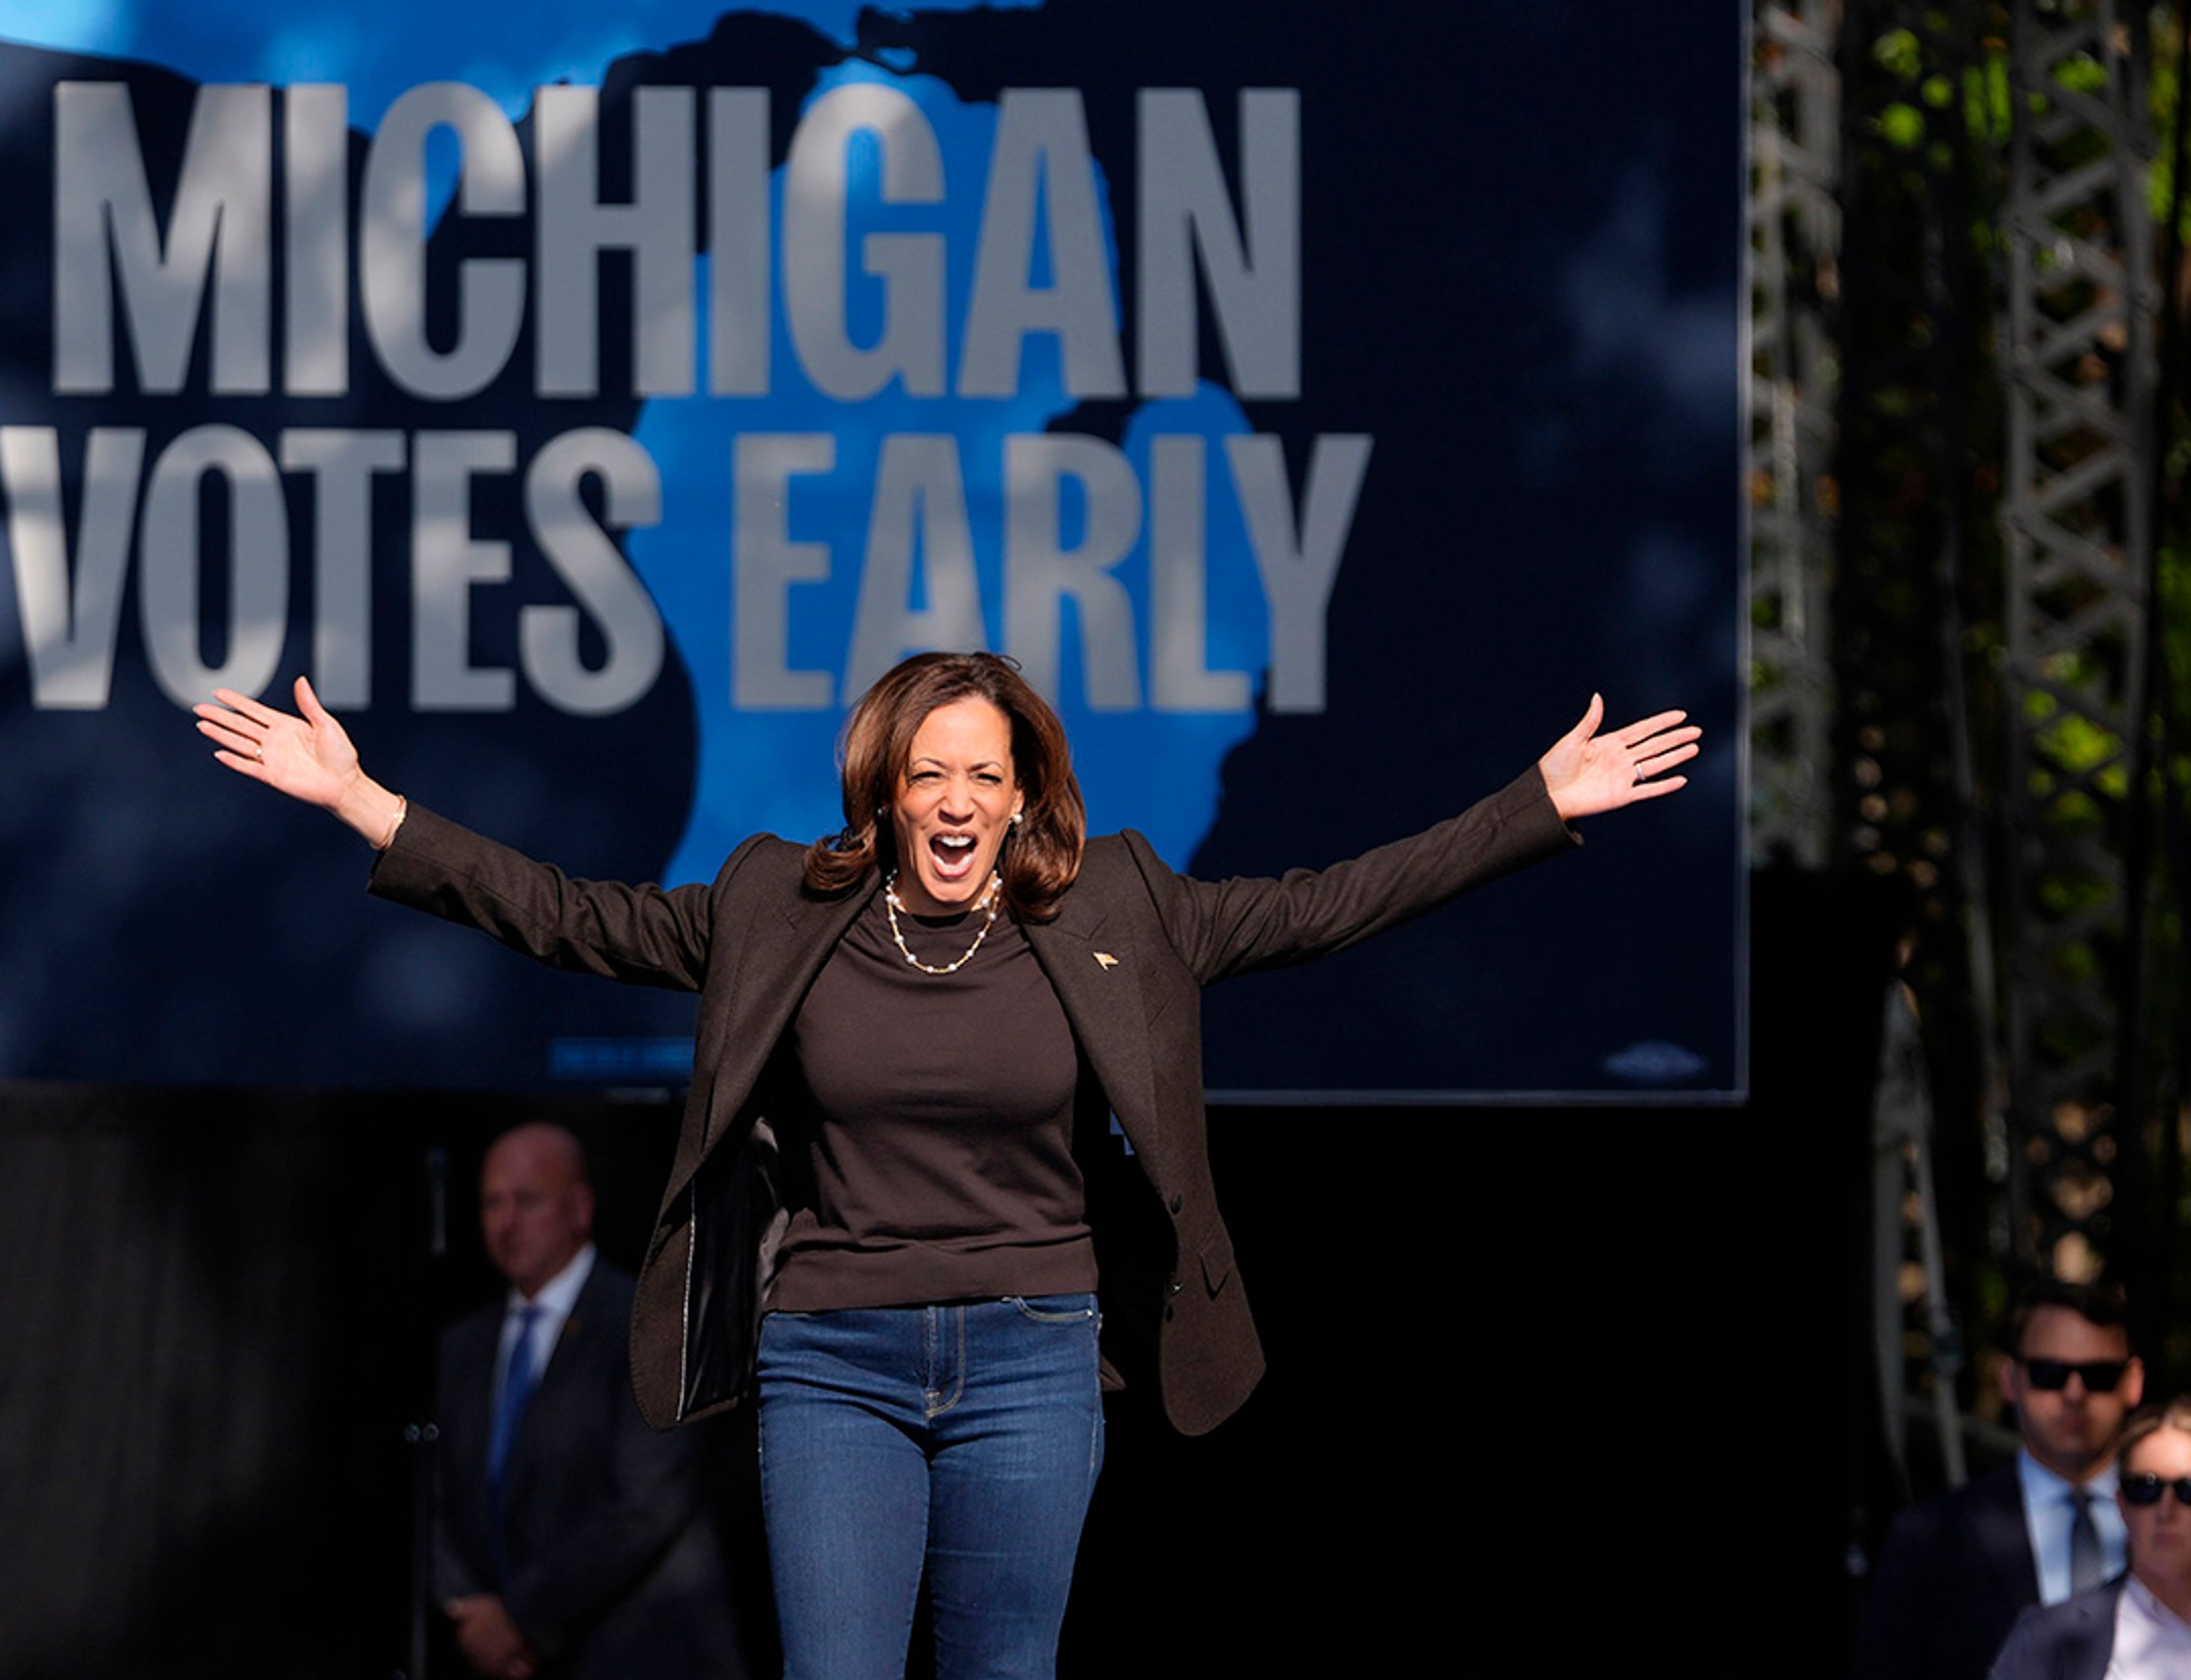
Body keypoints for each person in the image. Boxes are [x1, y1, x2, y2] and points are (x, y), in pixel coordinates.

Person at [197, 651, 1697, 1678]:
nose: (959, 800)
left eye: (985, 772)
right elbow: (567, 913)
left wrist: (1530, 810)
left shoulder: (1114, 901)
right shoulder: (777, 901)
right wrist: (363, 803)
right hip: (830, 1356)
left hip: (1034, 1352)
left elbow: (1328, 903)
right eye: (931, 773)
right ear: (888, 789)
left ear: (1025, 788)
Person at [430, 1123, 744, 1680]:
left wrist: (521, 1618)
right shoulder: (460, 1348)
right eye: (491, 1203)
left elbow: (647, 1503)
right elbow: (438, 1497)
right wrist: (470, 1610)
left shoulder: (650, 1326)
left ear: (579, 1208)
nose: (507, 1222)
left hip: (641, 1655)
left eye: (527, 1200)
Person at [1853, 1279, 2144, 1680]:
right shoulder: (1929, 1538)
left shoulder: (2176, 1518)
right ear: (2009, 1379)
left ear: (2133, 1381)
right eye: (2049, 1373)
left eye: (2099, 1376)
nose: (2074, 1393)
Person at [1988, 1395, 2191, 1679]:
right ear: (2121, 1504)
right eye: (2145, 1489)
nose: (2166, 1511)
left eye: (2187, 1490)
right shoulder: (2047, 1638)